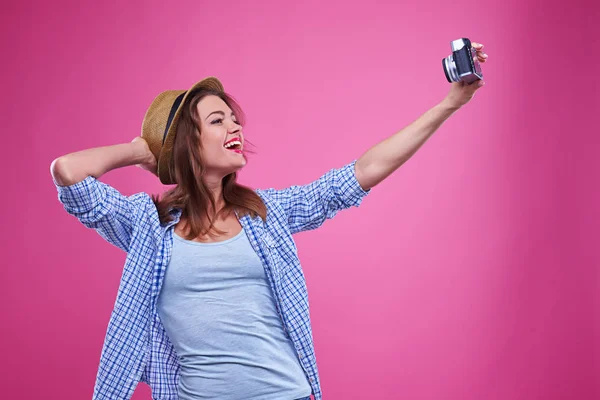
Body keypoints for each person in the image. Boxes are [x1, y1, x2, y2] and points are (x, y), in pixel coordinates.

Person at [50, 43, 489, 400]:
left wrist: (449, 104)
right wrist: (141, 152)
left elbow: (360, 173)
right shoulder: (148, 226)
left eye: (235, 118)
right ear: (187, 142)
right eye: (217, 120)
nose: (235, 126)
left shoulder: (267, 214)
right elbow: (68, 174)